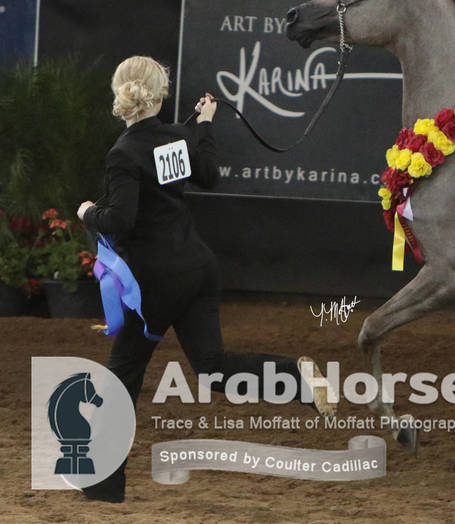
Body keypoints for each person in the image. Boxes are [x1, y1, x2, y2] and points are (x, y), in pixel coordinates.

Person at [76, 56, 334, 502]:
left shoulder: (123, 153)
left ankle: (102, 481)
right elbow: (209, 176)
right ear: (160, 95)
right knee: (213, 367)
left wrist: (86, 213)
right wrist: (205, 126)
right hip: (198, 269)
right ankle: (296, 379)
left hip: (157, 282)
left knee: (124, 372)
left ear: (121, 94)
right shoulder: (174, 137)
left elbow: (121, 219)